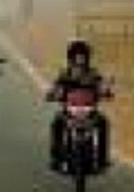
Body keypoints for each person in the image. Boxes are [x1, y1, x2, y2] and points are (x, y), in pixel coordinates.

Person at [47, 39, 111, 172]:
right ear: (72, 58)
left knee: (104, 123)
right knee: (56, 123)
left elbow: (102, 86)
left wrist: (105, 91)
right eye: (77, 56)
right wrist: (53, 94)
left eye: (82, 56)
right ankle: (56, 158)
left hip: (90, 111)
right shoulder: (65, 73)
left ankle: (102, 159)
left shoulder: (93, 73)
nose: (80, 59)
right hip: (69, 111)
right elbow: (56, 87)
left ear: (87, 57)